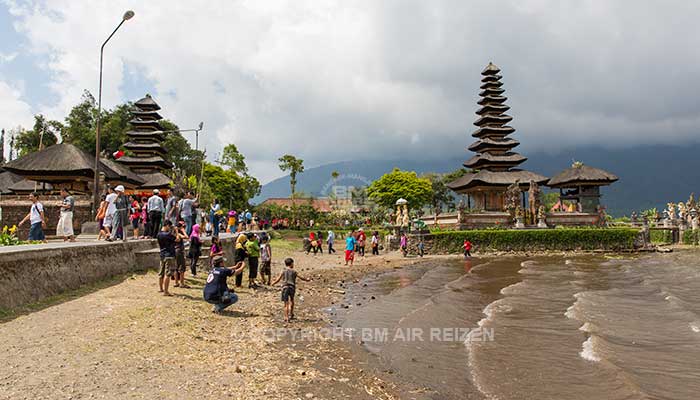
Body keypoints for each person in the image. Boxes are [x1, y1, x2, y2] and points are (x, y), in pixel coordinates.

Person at [272, 257, 311, 323]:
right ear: (291, 264)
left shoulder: (283, 271)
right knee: (292, 300)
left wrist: (273, 283)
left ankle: (286, 317)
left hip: (285, 287)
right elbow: (301, 277)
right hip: (292, 287)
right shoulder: (294, 271)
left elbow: (278, 279)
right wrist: (307, 279)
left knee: (285, 303)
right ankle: (291, 314)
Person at [157, 220, 177, 296]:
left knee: (161, 273)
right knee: (167, 274)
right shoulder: (168, 235)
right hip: (169, 255)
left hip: (162, 254)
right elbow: (177, 239)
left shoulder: (159, 234)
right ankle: (166, 291)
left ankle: (161, 288)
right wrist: (176, 231)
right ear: (167, 225)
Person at [173, 221, 189, 288]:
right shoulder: (178, 234)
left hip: (174, 251)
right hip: (179, 251)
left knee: (176, 267)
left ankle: (176, 282)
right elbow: (186, 237)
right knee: (182, 267)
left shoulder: (172, 234)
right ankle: (182, 283)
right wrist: (183, 231)